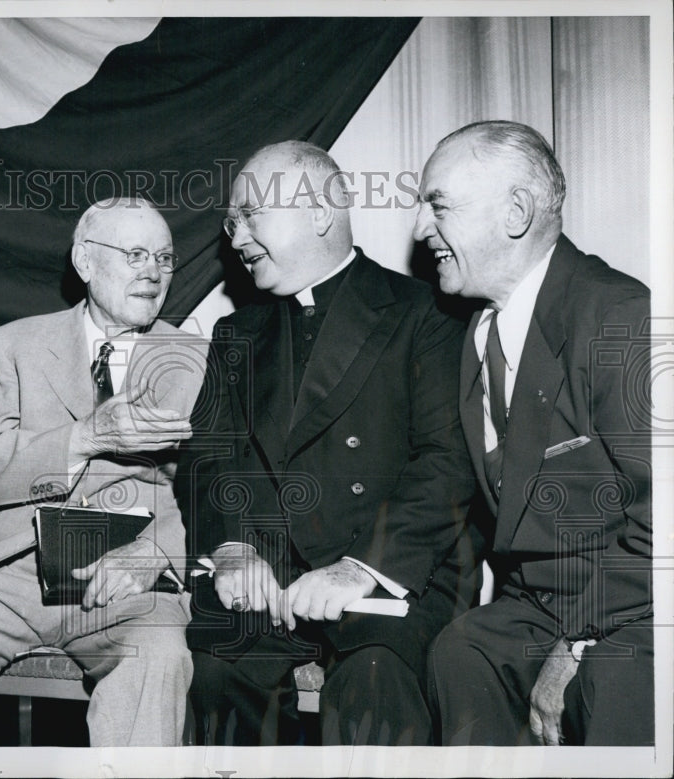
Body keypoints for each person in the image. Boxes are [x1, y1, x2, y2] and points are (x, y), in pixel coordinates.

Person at [177, 140, 482, 746]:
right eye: (231, 222)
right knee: (214, 669)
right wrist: (233, 548)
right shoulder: (236, 330)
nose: (235, 238)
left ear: (319, 213)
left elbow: (448, 464)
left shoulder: (428, 312)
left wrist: (360, 567)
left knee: (374, 679)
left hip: (393, 573)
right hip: (271, 573)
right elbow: (206, 461)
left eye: (250, 216)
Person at [0, 196, 207, 747]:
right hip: (10, 574)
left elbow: (213, 491)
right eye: (135, 254)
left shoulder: (196, 359)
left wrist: (155, 555)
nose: (153, 272)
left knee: (160, 656)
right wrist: (88, 436)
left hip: (129, 577)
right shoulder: (10, 346)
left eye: (164, 258)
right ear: (84, 262)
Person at [415, 120, 653, 746]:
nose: (420, 231)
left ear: (515, 212)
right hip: (539, 604)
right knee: (460, 652)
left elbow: (663, 526)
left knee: (609, 681)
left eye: (437, 206)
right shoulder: (476, 333)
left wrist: (577, 642)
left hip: (635, 603)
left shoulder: (618, 315)